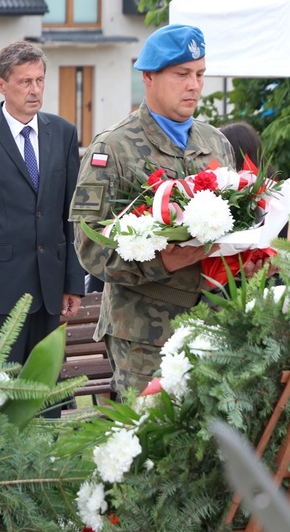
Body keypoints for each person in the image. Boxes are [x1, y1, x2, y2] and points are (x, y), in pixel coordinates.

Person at [70, 24, 235, 395]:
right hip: (146, 335)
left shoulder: (216, 143)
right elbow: (90, 248)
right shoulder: (112, 149)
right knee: (151, 442)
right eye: (182, 75)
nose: (194, 85)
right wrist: (164, 261)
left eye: (200, 74)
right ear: (148, 77)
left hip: (214, 324)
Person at [0, 40, 85, 374]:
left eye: (40, 80)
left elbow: (71, 215)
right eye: (25, 82)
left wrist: (72, 281)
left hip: (50, 289)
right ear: (1, 85)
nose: (35, 90)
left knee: (45, 395)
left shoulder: (63, 133)